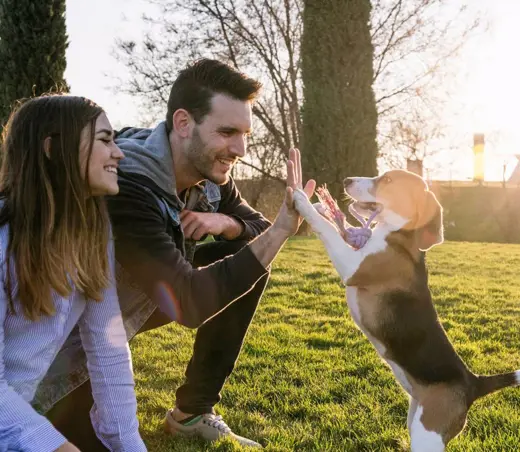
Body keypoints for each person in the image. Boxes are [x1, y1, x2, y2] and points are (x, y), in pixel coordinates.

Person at [35, 59, 316, 448]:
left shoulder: (212, 177)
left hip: (126, 308)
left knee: (247, 255)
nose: (240, 148)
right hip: (65, 344)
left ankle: (192, 411)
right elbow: (188, 303)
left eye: (245, 133)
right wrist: (281, 230)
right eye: (227, 132)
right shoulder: (127, 183)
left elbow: (256, 228)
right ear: (183, 124)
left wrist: (226, 224)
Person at [0, 95, 145, 451]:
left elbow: (108, 350)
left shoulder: (94, 238)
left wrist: (130, 446)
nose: (119, 153)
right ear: (52, 148)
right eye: (105, 140)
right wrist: (55, 446)